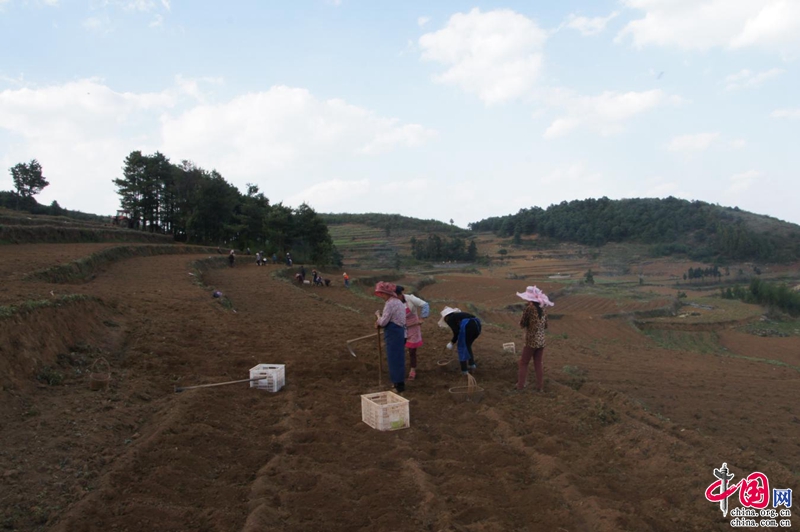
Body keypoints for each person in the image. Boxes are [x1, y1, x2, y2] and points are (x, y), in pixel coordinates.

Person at [516, 286, 554, 392]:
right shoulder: (543, 309)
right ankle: (540, 387)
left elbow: (522, 323)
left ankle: (520, 386)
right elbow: (545, 325)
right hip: (541, 340)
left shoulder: (529, 309)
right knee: (538, 363)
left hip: (531, 340)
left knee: (523, 362)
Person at [374, 281, 407, 394]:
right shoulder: (399, 302)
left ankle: (398, 385)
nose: (381, 296)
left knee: (393, 359)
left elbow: (383, 322)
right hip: (400, 331)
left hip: (393, 332)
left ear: (387, 293)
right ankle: (399, 383)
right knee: (399, 358)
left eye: (382, 294)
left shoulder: (390, 303)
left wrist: (378, 317)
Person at [395, 285, 427, 381]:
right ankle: (399, 369)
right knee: (398, 349)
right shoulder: (393, 302)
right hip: (401, 327)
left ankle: (412, 370)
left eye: (398, 296)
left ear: (401, 294)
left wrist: (422, 318)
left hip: (413, 327)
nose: (396, 298)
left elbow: (425, 305)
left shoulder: (410, 299)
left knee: (412, 351)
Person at [439, 307, 481, 374]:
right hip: (477, 326)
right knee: (467, 345)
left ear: (446, 317)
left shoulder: (450, 319)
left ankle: (464, 370)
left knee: (461, 347)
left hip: (468, 326)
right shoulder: (458, 316)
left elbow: (456, 332)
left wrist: (452, 342)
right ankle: (472, 365)